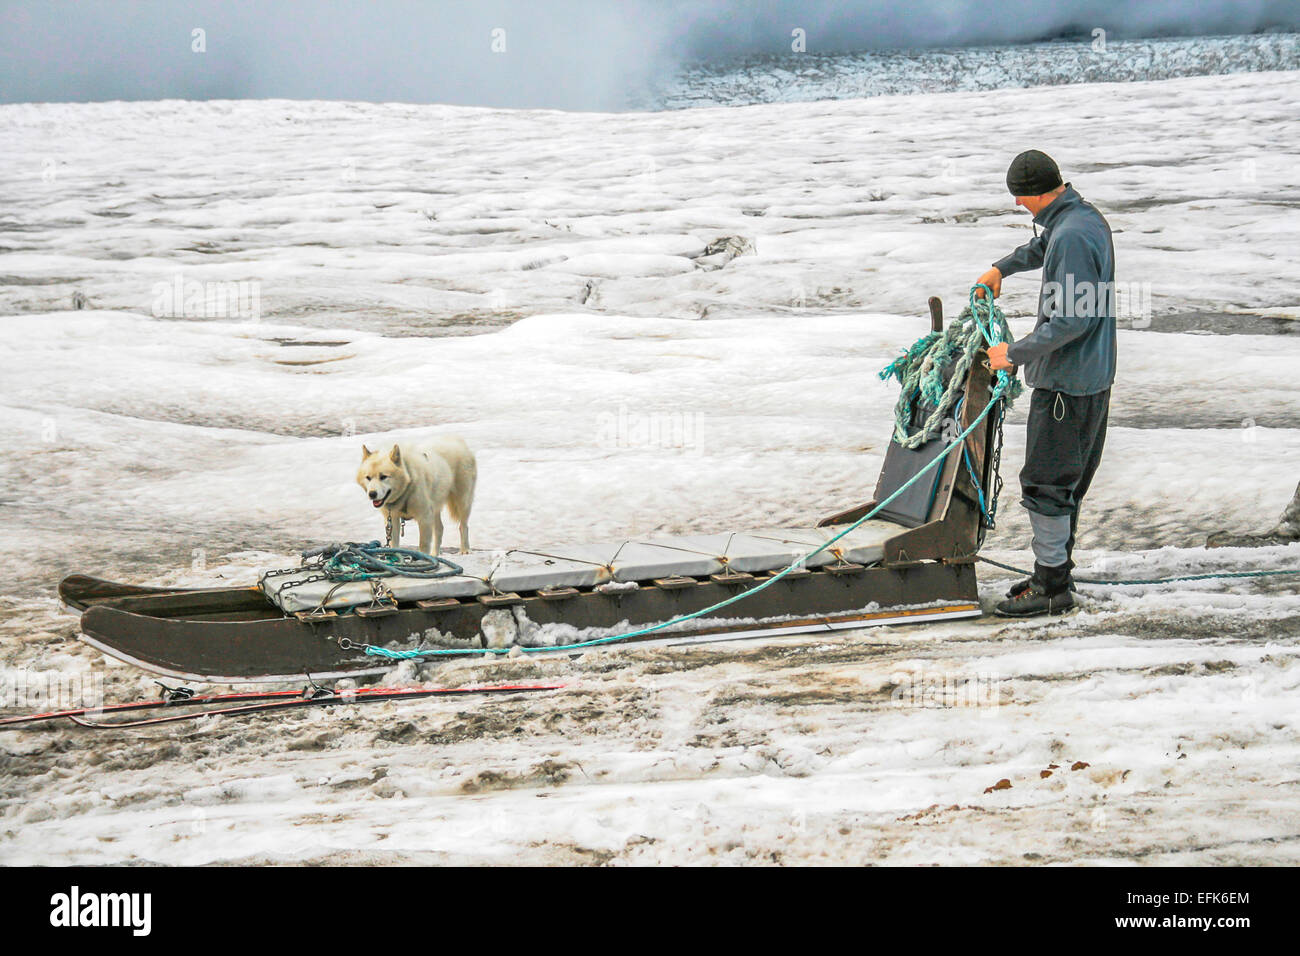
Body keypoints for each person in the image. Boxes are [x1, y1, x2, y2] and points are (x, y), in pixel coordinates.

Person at [976, 149, 1117, 617]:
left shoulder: (1073, 234)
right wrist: (1002, 267)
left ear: (1035, 193)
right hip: (1088, 378)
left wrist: (1011, 355)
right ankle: (1053, 572)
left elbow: (1074, 319)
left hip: (1066, 385)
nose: (1019, 206)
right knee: (1064, 482)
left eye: (1020, 199)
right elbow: (1046, 245)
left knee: (1046, 483)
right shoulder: (1079, 217)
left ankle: (1052, 587)